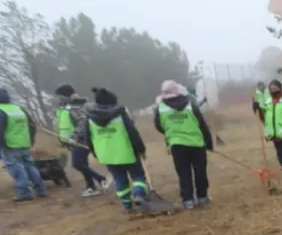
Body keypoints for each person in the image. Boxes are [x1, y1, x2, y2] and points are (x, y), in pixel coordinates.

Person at [84, 87, 151, 214]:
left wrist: (95, 153)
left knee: (119, 178)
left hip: (108, 155)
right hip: (127, 152)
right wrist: (141, 148)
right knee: (138, 175)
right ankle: (138, 195)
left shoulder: (90, 118)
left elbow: (88, 138)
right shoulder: (121, 115)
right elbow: (133, 133)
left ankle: (127, 205)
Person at [154, 80, 214, 209]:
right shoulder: (190, 103)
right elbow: (202, 124)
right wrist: (208, 142)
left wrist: (171, 132)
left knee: (183, 173)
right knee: (200, 171)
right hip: (196, 143)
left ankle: (188, 200)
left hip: (177, 144)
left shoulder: (161, 107)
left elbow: (158, 126)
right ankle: (202, 197)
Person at [55, 84, 110, 197]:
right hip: (74, 141)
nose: (58, 99)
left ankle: (100, 179)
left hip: (81, 140)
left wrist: (75, 136)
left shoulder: (77, 106)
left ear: (66, 96)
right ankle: (91, 187)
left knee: (77, 164)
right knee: (83, 163)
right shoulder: (66, 107)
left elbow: (82, 122)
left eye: (60, 96)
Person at [0, 88, 47, 202]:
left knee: (17, 169)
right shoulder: (19, 109)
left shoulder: (1, 111)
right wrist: (30, 140)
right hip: (25, 144)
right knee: (30, 167)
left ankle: (24, 192)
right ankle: (41, 190)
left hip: (10, 146)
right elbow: (32, 126)